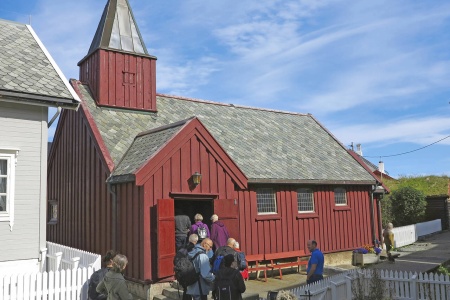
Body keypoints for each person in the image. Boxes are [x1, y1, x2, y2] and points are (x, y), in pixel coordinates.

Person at [174, 234, 199, 300]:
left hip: (182, 273)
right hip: (190, 273)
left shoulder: (182, 248)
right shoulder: (194, 248)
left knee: (186, 290)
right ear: (196, 241)